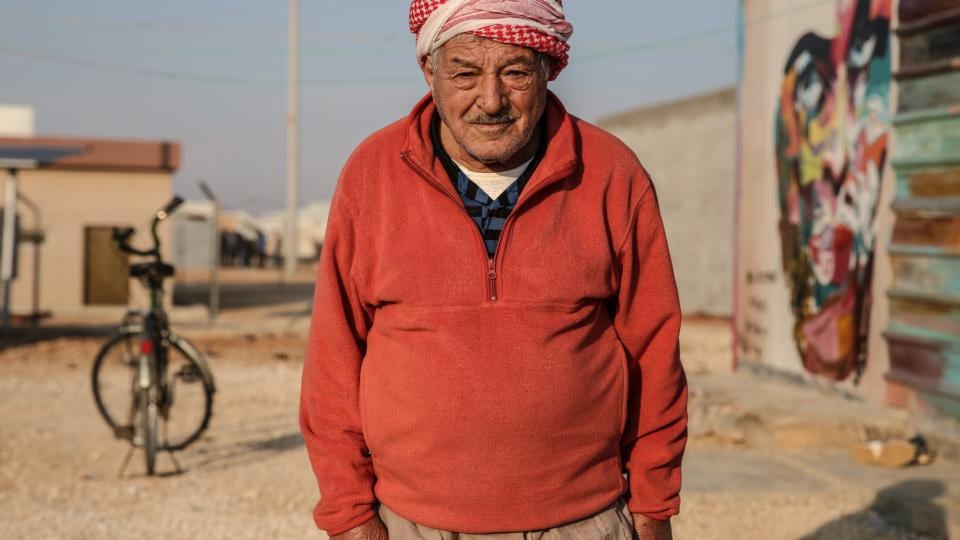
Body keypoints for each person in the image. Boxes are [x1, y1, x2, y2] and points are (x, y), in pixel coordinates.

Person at [300, 1, 687, 539]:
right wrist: (348, 516)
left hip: (583, 522)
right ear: (428, 72)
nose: (490, 99)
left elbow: (655, 347)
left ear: (548, 71)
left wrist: (653, 505)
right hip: (411, 524)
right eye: (464, 72)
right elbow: (334, 359)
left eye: (515, 72)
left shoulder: (610, 173)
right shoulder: (372, 174)